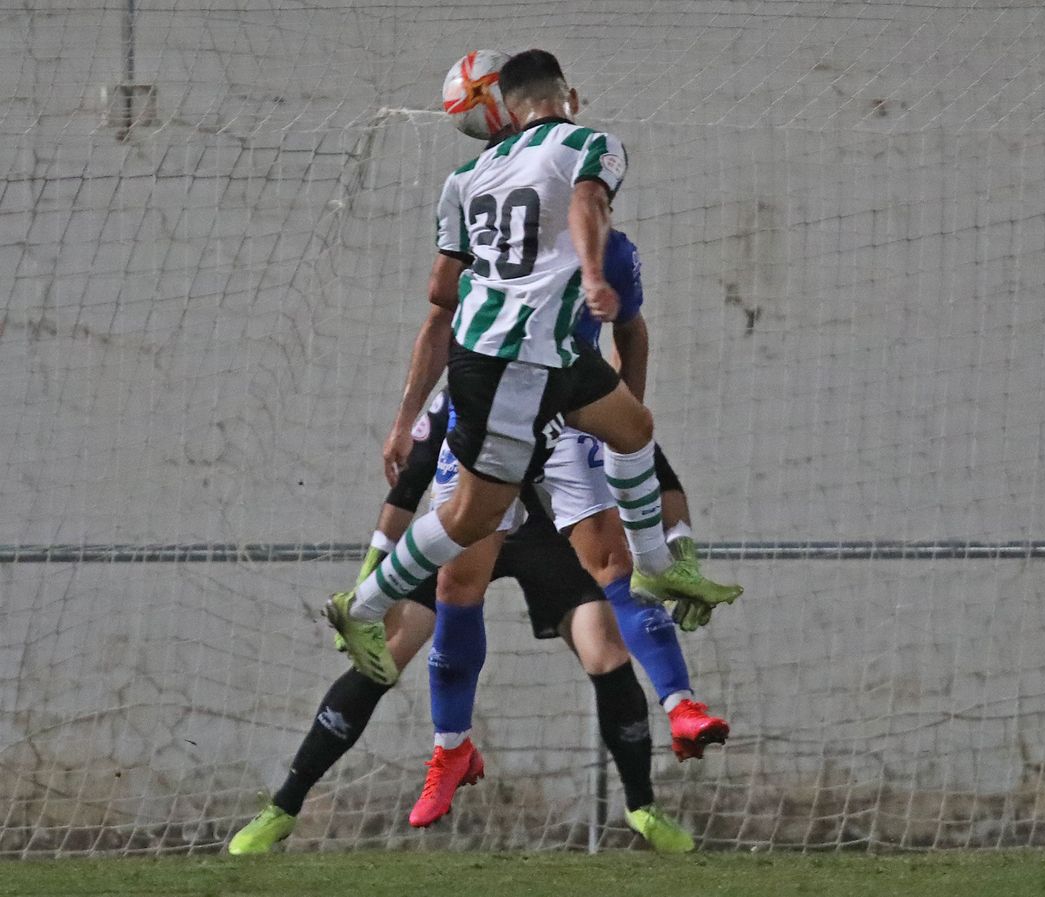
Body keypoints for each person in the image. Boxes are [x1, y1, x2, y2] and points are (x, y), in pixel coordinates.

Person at [322, 47, 737, 689]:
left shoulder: (468, 175)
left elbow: (440, 290)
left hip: (550, 351)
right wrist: (591, 274)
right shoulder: (590, 144)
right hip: (511, 361)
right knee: (472, 518)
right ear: (569, 96)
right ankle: (363, 607)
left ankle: (656, 566)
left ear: (507, 113)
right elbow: (588, 202)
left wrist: (505, 269)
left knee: (632, 426)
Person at [228, 392, 693, 853]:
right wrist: (370, 582)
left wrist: (679, 552)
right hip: (470, 528)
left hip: (549, 537)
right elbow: (408, 488)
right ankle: (284, 806)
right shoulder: (465, 388)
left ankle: (642, 806)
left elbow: (660, 475)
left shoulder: (576, 381)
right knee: (384, 654)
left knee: (605, 651)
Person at [543, 226, 736, 764]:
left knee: (616, 577)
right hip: (487, 412)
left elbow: (632, 331)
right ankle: (449, 745)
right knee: (451, 580)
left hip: (563, 414)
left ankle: (679, 707)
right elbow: (440, 311)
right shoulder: (487, 229)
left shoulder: (612, 250)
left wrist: (681, 549)